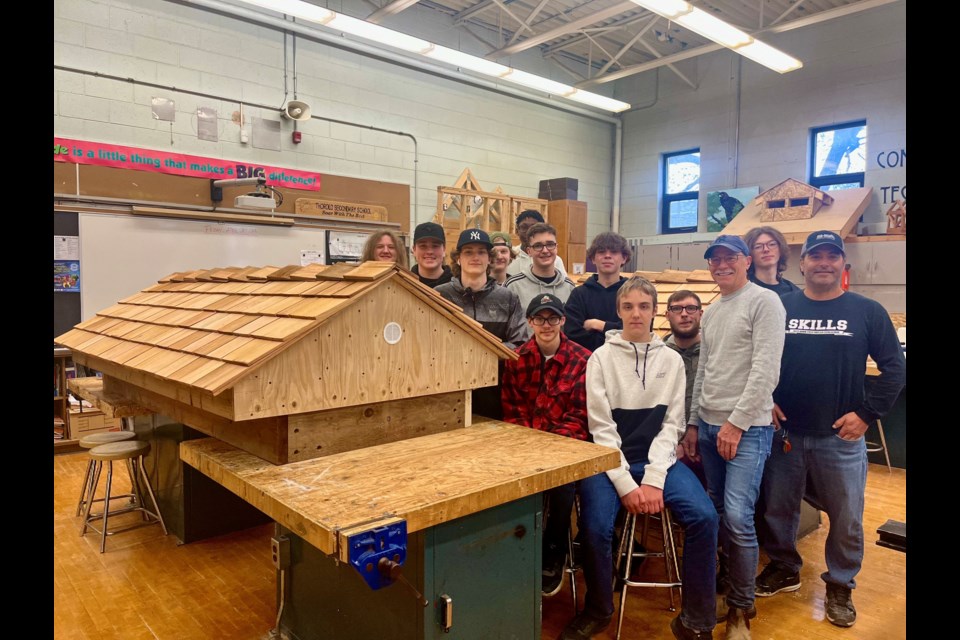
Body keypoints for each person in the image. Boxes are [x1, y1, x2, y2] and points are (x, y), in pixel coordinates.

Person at [756, 231, 905, 629]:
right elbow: (758, 358)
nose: (823, 262)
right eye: (815, 256)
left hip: (840, 438)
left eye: (831, 256)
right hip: (785, 434)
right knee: (778, 509)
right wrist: (765, 398)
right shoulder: (780, 307)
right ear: (801, 264)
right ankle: (784, 567)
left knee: (846, 516)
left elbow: (895, 369)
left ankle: (840, 583)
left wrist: (867, 414)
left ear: (843, 265)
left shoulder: (867, 311)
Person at [559, 276, 719, 640]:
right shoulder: (600, 359)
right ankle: (599, 608)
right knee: (596, 528)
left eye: (643, 306)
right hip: (608, 461)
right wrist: (627, 484)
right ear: (618, 311)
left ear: (654, 312)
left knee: (705, 517)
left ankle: (696, 619)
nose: (636, 313)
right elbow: (601, 429)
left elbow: (672, 426)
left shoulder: (672, 362)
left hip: (657, 461)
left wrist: (652, 479)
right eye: (628, 306)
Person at [683, 235, 785, 640]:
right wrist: (694, 423)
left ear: (745, 261)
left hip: (746, 429)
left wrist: (737, 423)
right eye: (715, 259)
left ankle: (742, 608)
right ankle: (727, 581)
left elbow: (766, 369)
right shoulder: (713, 311)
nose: (721, 264)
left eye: (729, 258)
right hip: (709, 427)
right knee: (717, 511)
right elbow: (704, 370)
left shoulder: (764, 302)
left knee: (740, 518)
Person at [501, 293, 591, 598]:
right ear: (529, 323)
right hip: (524, 447)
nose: (546, 324)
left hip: (563, 449)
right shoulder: (516, 361)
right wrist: (530, 449)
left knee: (562, 485)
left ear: (563, 321)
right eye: (539, 318)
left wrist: (548, 451)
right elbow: (513, 411)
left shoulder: (583, 360)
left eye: (553, 318)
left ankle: (554, 547)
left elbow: (579, 416)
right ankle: (522, 546)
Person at [436, 228, 526, 419]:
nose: (475, 257)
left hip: (495, 393)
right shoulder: (440, 296)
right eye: (468, 251)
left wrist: (483, 352)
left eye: (481, 252)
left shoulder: (508, 298)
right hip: (448, 391)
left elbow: (520, 344)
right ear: (458, 258)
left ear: (489, 259)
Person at [563, 232, 631, 352]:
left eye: (614, 252)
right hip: (587, 362)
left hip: (626, 360)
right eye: (601, 252)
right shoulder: (578, 295)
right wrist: (614, 332)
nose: (607, 256)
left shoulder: (634, 294)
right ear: (593, 258)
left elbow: (637, 330)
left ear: (624, 258)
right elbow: (572, 335)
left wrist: (599, 325)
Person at [505, 222, 576, 320]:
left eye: (550, 244)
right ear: (529, 251)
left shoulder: (569, 288)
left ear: (556, 248)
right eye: (538, 246)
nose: (545, 250)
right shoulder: (513, 286)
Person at [506, 210, 567, 278]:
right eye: (524, 227)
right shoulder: (509, 256)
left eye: (534, 228)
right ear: (517, 231)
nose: (528, 232)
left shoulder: (554, 260)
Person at [743, 226, 799, 296]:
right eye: (758, 247)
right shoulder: (743, 290)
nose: (766, 249)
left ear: (780, 248)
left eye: (772, 244)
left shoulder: (792, 291)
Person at [410, 221, 452, 288]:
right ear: (414, 250)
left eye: (435, 246)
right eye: (423, 246)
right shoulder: (405, 284)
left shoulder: (459, 288)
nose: (429, 252)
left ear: (444, 249)